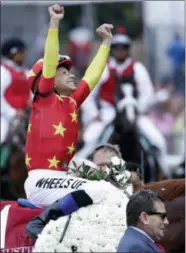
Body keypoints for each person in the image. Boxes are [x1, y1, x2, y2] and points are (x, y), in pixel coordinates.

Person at [24, 4, 113, 208]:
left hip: (62, 177)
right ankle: (44, 221)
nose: (71, 74)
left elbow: (92, 75)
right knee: (104, 190)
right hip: (41, 181)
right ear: (49, 80)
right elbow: (49, 61)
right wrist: (54, 23)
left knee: (112, 181)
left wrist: (106, 43)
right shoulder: (44, 96)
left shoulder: (72, 101)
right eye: (63, 73)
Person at [80, 27, 170, 178]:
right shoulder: (103, 68)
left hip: (134, 113)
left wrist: (135, 109)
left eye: (124, 48)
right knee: (90, 140)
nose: (120, 51)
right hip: (107, 113)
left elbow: (147, 94)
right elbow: (87, 92)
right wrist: (94, 114)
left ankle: (165, 174)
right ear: (112, 50)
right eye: (117, 48)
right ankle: (80, 174)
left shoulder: (138, 68)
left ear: (128, 50)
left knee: (157, 140)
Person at [1, 38, 30, 144]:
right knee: (2, 137)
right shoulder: (3, 72)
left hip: (26, 116)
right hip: (6, 117)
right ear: (12, 54)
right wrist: (13, 113)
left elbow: (32, 94)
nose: (24, 55)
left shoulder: (27, 72)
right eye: (21, 52)